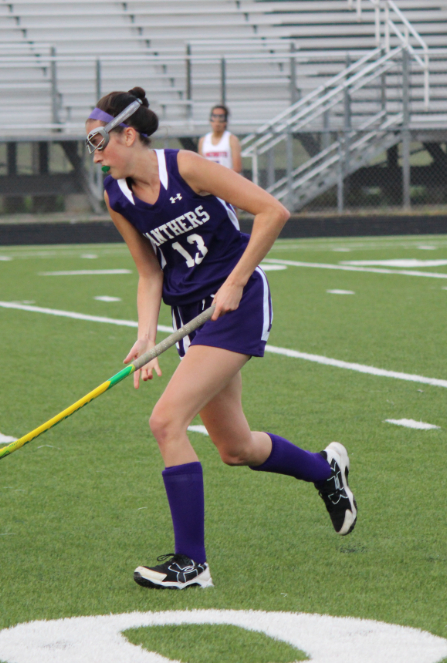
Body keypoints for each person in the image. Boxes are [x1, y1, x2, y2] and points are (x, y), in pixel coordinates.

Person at [86, 88, 357, 590]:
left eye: (99, 139)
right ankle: (325, 472)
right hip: (190, 314)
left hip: (237, 302)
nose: (95, 152)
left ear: (129, 134)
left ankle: (192, 564)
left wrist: (234, 281)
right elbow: (148, 273)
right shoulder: (116, 195)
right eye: (89, 143)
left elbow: (273, 211)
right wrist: (145, 335)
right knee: (235, 448)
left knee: (166, 422)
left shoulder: (187, 167)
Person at [197, 104, 243, 174]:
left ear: (226, 121)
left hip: (227, 181)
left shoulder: (231, 139)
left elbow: (237, 168)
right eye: (214, 117)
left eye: (221, 117)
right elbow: (201, 166)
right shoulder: (203, 141)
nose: (217, 121)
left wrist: (220, 177)